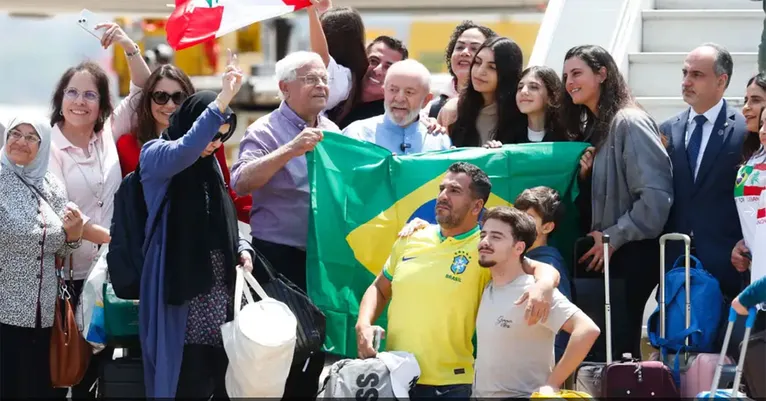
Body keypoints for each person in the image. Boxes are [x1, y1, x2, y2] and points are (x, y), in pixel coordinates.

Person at [356, 162, 562, 399]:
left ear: (477, 205)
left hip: (451, 385)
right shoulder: (411, 237)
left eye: (454, 191)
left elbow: (543, 269)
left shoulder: (487, 247)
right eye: (442, 189)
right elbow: (380, 289)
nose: (443, 196)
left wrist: (544, 286)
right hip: (392, 375)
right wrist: (363, 323)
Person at [138, 53, 255, 398]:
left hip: (219, 290)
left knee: (220, 380)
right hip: (179, 291)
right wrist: (222, 99)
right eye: (209, 133)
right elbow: (186, 148)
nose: (213, 143)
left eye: (222, 136)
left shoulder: (213, 166)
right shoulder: (157, 154)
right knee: (184, 379)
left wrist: (242, 248)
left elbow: (226, 217)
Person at [48, 21, 152, 397]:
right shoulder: (49, 147)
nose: (79, 101)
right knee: (65, 366)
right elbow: (64, 212)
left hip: (109, 274)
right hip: (65, 276)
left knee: (103, 370)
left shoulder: (106, 135)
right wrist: (118, 239)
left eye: (89, 95)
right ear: (60, 99)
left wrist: (128, 45)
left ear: (102, 104)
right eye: (72, 93)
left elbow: (143, 88)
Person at [231, 50, 338, 398]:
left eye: (324, 78)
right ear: (285, 87)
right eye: (310, 79)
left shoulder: (334, 131)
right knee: (279, 352)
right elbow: (241, 181)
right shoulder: (265, 130)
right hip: (278, 260)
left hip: (323, 259)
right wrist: (290, 150)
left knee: (315, 351)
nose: (321, 85)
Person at [561, 44, 674, 359]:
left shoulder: (630, 122)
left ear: (602, 74)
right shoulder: (597, 129)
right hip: (607, 259)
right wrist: (586, 178)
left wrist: (614, 236)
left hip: (631, 257)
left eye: (577, 73)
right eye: (566, 74)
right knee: (604, 357)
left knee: (619, 358)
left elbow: (655, 198)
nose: (569, 81)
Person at [472, 206, 600, 399]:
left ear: (519, 248)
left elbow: (587, 330)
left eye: (496, 237)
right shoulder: (487, 285)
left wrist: (552, 384)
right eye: (483, 235)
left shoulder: (533, 290)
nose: (485, 242)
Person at [0, 115, 84, 398]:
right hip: (5, 316)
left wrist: (74, 235)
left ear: (43, 144)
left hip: (45, 317)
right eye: (15, 133)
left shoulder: (52, 186)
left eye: (31, 137)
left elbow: (61, 250)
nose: (21, 142)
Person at [660, 43, 749, 302]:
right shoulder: (666, 130)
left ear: (722, 81)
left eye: (697, 75)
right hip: (675, 261)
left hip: (727, 265)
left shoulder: (744, 131)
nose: (687, 81)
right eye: (685, 73)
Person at [114, 63, 253, 222]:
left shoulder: (209, 142)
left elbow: (226, 194)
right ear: (148, 99)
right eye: (161, 97)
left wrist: (273, 217)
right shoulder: (127, 145)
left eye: (178, 98)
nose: (170, 105)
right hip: (149, 239)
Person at [342, 59, 451, 154]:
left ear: (426, 100)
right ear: (384, 92)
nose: (399, 98)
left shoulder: (439, 142)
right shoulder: (357, 134)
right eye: (393, 90)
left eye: (409, 92)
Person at [514, 186, 571, 361]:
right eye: (517, 215)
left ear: (547, 227)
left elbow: (561, 327)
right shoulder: (521, 258)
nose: (518, 223)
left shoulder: (548, 263)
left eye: (528, 218)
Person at [438, 36, 526, 147]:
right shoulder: (453, 110)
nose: (480, 71)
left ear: (508, 74)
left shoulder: (523, 113)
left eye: (492, 67)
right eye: (477, 62)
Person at [308, 0, 367, 123]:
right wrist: (324, 11)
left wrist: (311, 12)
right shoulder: (352, 73)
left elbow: (321, 56)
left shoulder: (342, 75)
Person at [732, 73, 766, 279]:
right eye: (745, 100)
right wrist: (743, 244)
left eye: (755, 100)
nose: (746, 108)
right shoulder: (752, 155)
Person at [426, 21, 497, 119]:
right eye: (459, 47)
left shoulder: (503, 109)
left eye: (474, 48)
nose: (464, 52)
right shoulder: (430, 110)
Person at [336, 36, 409, 129]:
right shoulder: (335, 89)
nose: (378, 70)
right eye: (373, 61)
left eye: (388, 67)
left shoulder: (392, 117)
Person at [513, 65, 567, 144]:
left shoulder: (570, 138)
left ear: (552, 96)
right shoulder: (507, 138)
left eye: (533, 87)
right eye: (520, 87)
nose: (523, 91)